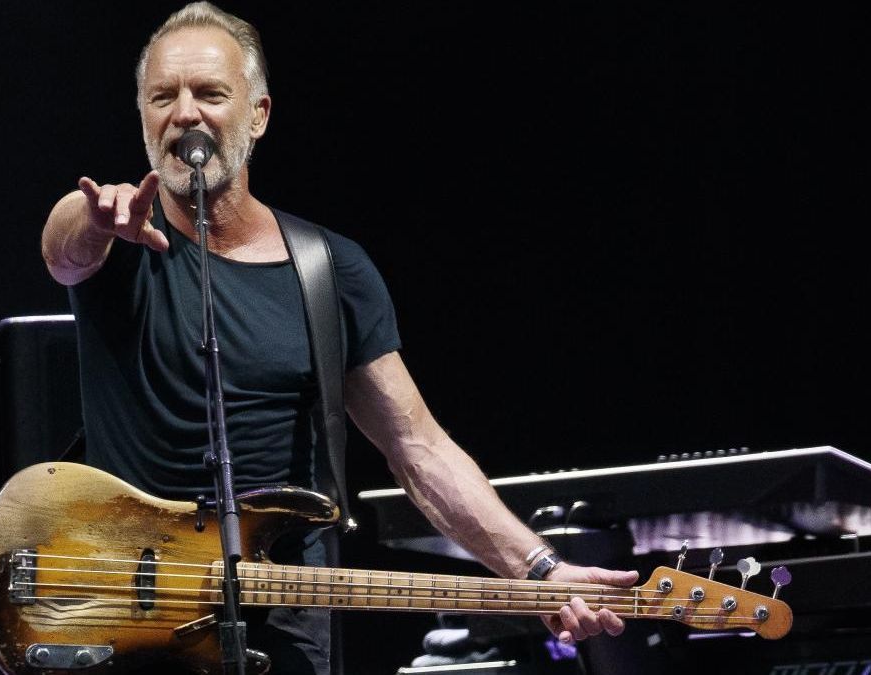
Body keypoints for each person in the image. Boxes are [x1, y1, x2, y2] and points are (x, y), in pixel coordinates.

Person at [41, 3, 638, 673]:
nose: (184, 113)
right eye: (162, 97)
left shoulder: (328, 271)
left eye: (209, 93)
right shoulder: (120, 237)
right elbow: (64, 246)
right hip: (127, 625)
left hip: (283, 633)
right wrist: (94, 218)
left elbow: (418, 449)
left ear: (258, 115)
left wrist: (539, 567)